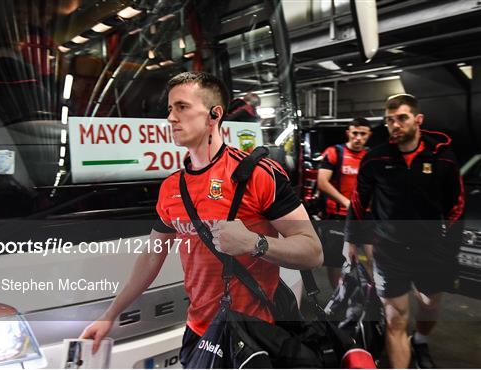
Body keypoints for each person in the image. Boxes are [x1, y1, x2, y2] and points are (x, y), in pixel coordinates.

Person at [80, 72, 323, 366]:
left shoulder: (258, 175)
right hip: (200, 332)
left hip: (256, 333)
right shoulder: (172, 187)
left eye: (181, 107)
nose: (171, 118)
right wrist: (109, 316)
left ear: (214, 115)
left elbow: (313, 252)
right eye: (169, 109)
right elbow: (151, 258)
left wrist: (254, 243)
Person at [344, 94, 464, 368]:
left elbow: (456, 207)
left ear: (418, 120)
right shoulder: (376, 159)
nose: (395, 125)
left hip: (431, 249)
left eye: (402, 118)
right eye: (389, 120)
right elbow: (360, 201)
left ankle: (420, 341)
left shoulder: (443, 158)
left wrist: (450, 252)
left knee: (429, 305)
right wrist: (351, 239)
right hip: (389, 250)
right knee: (395, 318)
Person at [317, 117, 373, 288]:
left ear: (368, 135)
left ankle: (375, 298)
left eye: (363, 134)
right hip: (338, 216)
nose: (358, 138)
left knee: (374, 258)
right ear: (348, 133)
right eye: (355, 133)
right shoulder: (335, 152)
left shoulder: (371, 156)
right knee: (336, 261)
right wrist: (347, 203)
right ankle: (339, 298)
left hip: (366, 217)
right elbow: (322, 182)